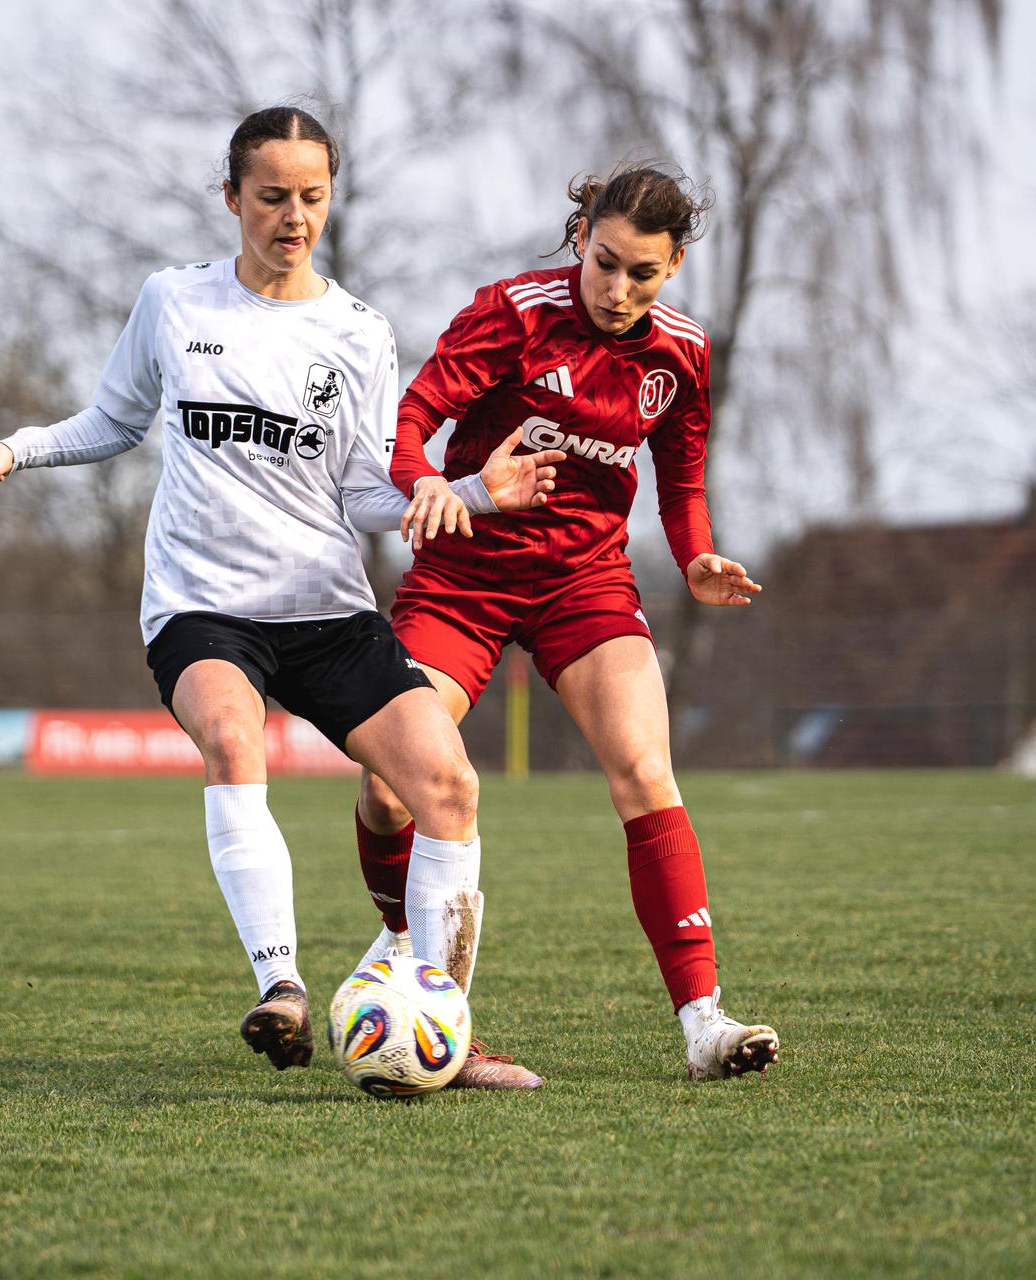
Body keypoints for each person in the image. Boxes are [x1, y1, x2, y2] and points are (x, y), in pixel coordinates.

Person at [0, 106, 561, 1080]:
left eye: (312, 196)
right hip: (202, 605)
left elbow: (367, 491)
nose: (294, 215)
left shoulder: (359, 332)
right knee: (234, 739)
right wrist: (16, 451)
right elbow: (114, 421)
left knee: (447, 787)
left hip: (325, 605)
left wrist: (478, 490)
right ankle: (281, 986)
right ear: (231, 197)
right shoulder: (174, 302)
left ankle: (446, 1033)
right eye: (272, 195)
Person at [351, 162, 782, 1082]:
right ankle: (400, 952)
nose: (620, 290)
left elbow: (684, 478)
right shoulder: (510, 311)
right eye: (607, 263)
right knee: (391, 787)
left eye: (645, 274)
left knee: (645, 770)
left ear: (673, 268)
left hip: (584, 581)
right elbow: (411, 421)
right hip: (465, 574)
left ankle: (705, 1022)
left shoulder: (681, 354)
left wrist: (698, 553)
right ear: (581, 234)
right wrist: (427, 481)